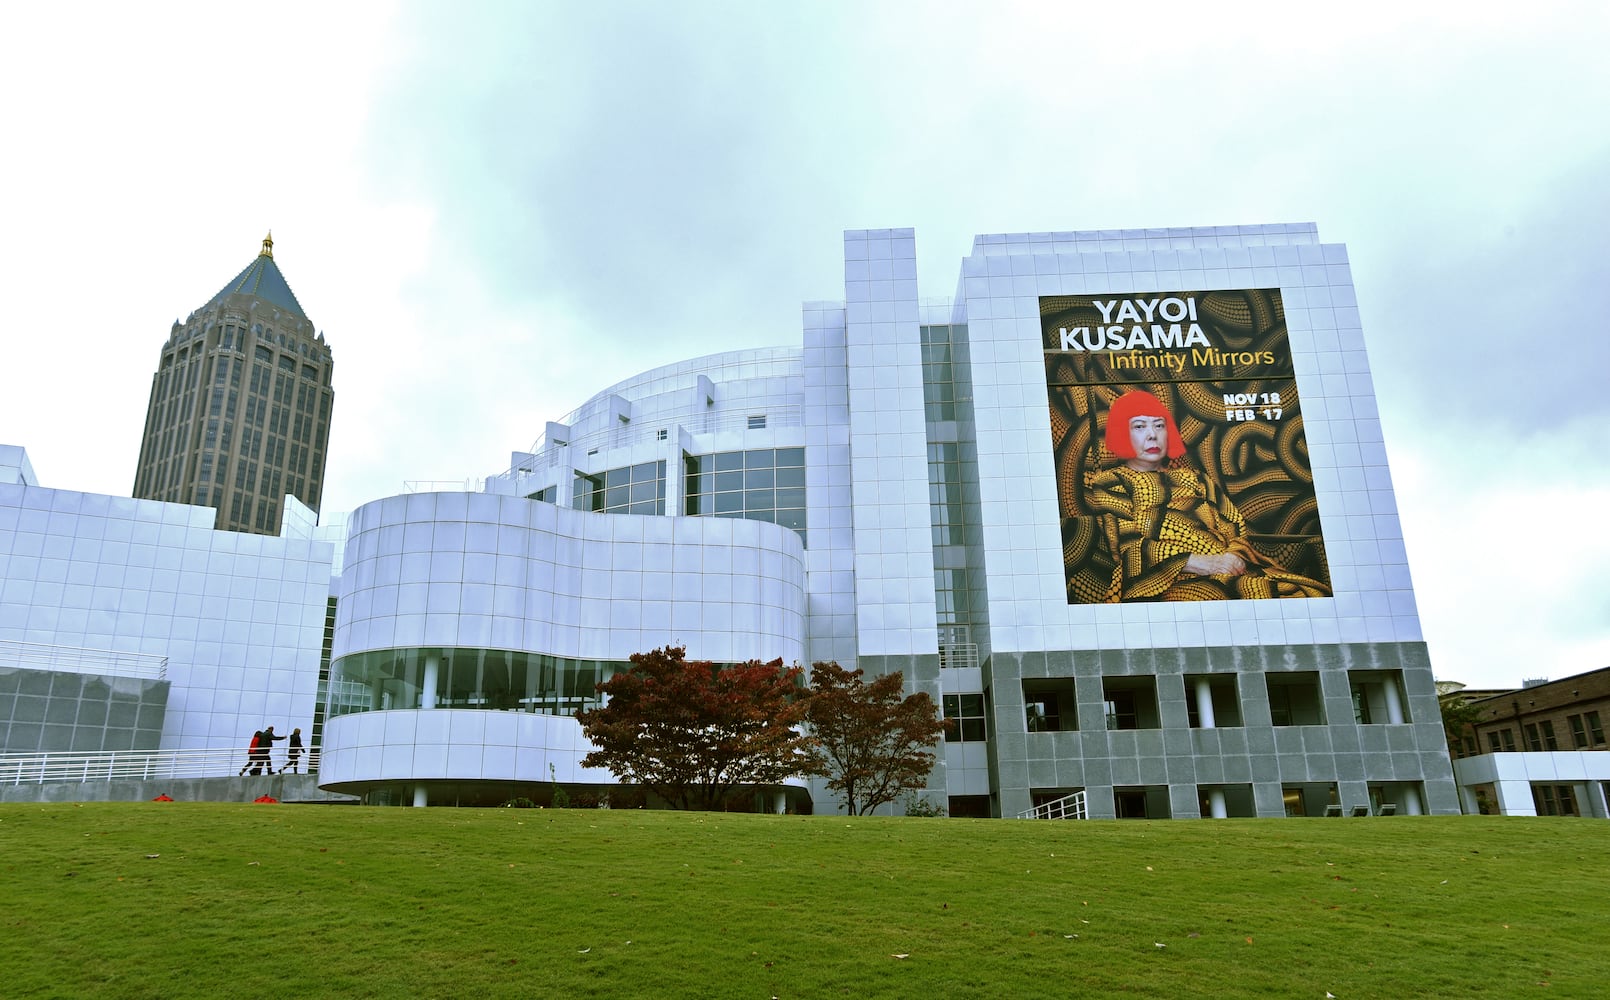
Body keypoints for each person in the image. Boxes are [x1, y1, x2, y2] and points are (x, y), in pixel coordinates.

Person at [1082, 389, 1330, 602]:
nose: (1152, 435)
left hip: (1229, 568)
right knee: (1248, 596)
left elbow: (1234, 526)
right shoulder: (1110, 482)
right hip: (1168, 580)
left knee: (1300, 593)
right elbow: (1129, 547)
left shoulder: (1196, 478)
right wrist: (1199, 563)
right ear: (1121, 432)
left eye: (1159, 425)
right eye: (1139, 426)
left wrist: (1232, 557)